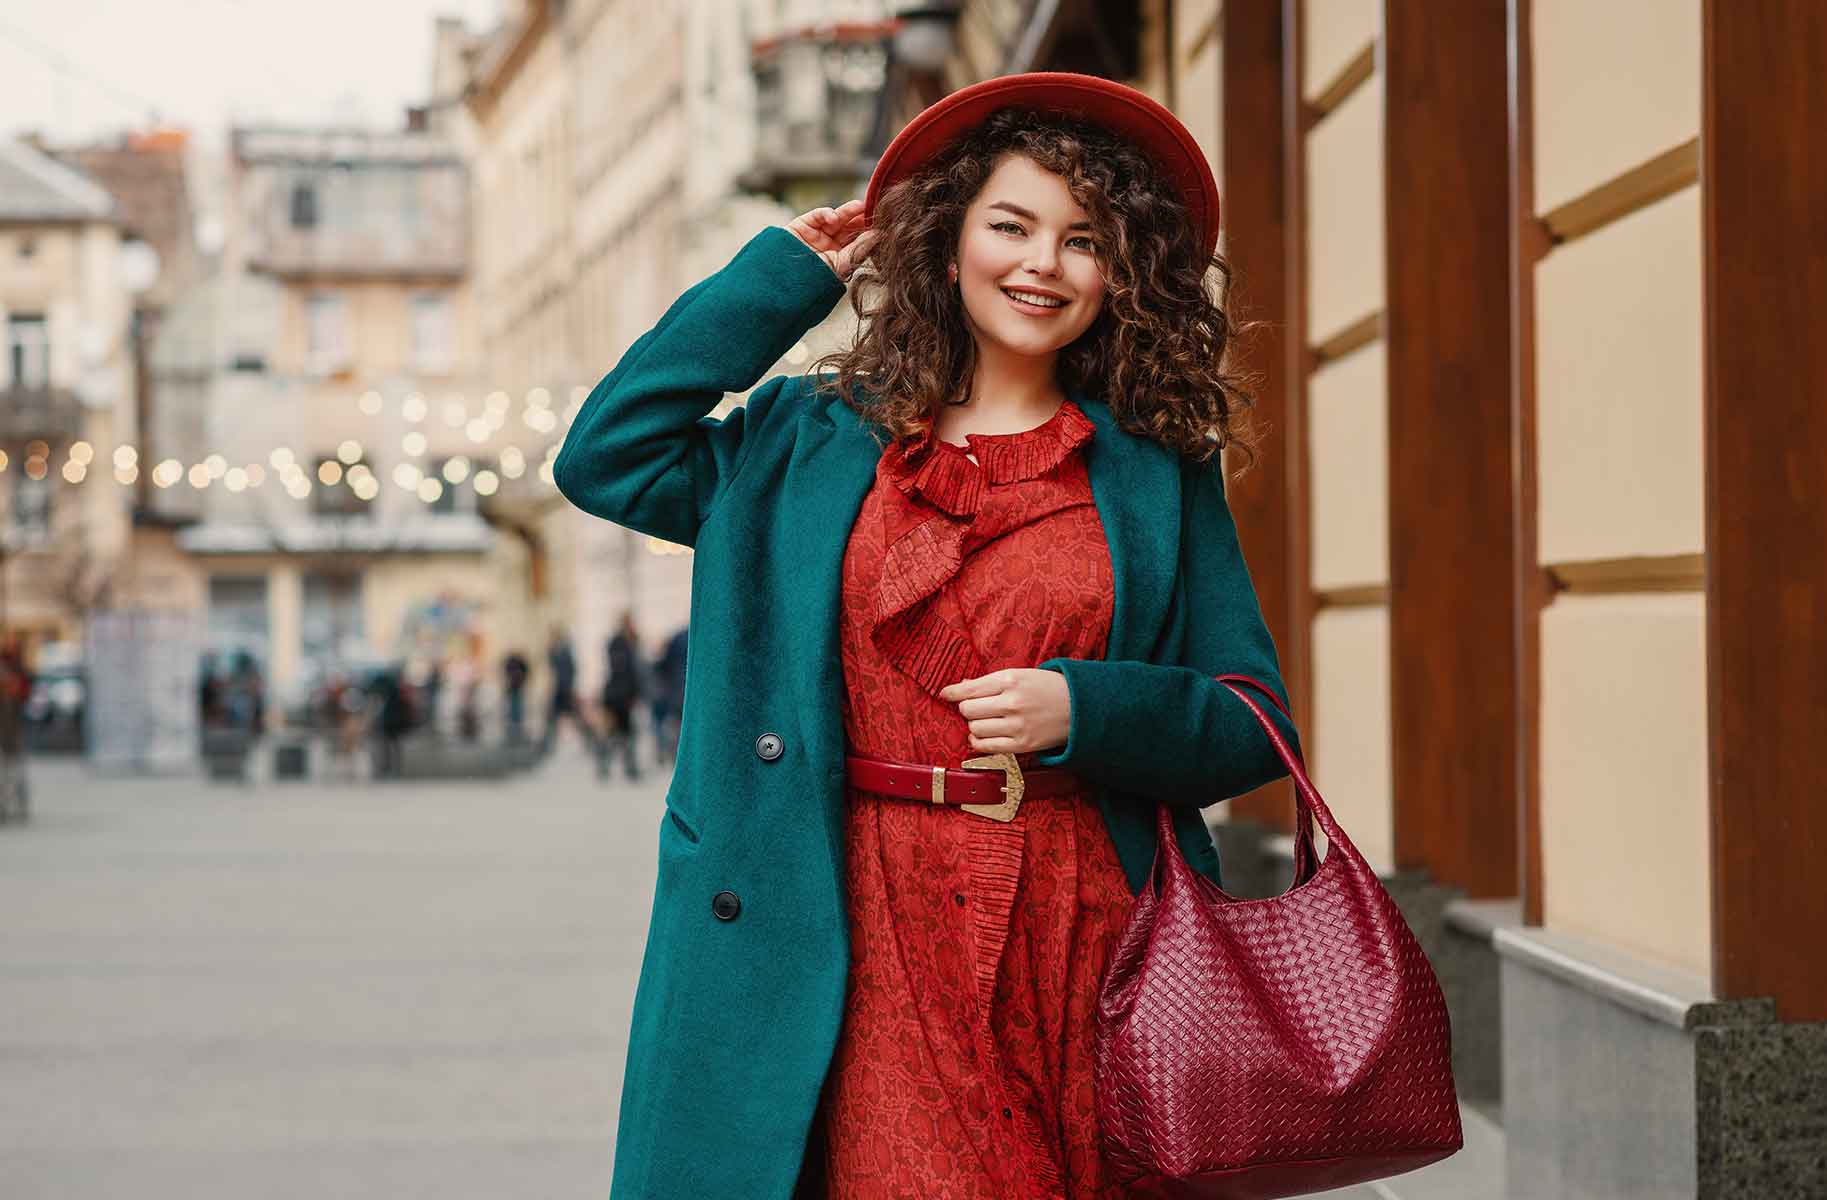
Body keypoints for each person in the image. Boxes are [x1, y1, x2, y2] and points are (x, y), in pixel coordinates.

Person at [552, 73, 1300, 1200]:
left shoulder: (1152, 469)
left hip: (1088, 930)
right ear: (946, 246)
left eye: (1083, 239)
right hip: (857, 923)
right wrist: (782, 281)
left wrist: (1088, 711)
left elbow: (1254, 723)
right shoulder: (805, 446)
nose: (1042, 263)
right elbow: (607, 453)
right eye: (1010, 225)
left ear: (1120, 274)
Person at [540, 631, 594, 757]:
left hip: (564, 690)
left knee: (572, 718)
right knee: (554, 719)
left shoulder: (565, 652)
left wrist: (568, 688)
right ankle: (547, 745)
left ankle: (590, 741)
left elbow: (570, 671)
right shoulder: (559, 651)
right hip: (561, 690)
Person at [649, 625, 687, 765]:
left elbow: (662, 666)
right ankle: (678, 753)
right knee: (683, 724)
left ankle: (675, 753)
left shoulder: (677, 638)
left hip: (675, 690)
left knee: (676, 724)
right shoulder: (695, 636)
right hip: (683, 690)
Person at [501, 649, 530, 744]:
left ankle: (516, 730)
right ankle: (512, 731)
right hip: (513, 688)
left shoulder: (518, 665)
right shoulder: (512, 665)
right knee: (513, 710)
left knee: (517, 710)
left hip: (518, 688)